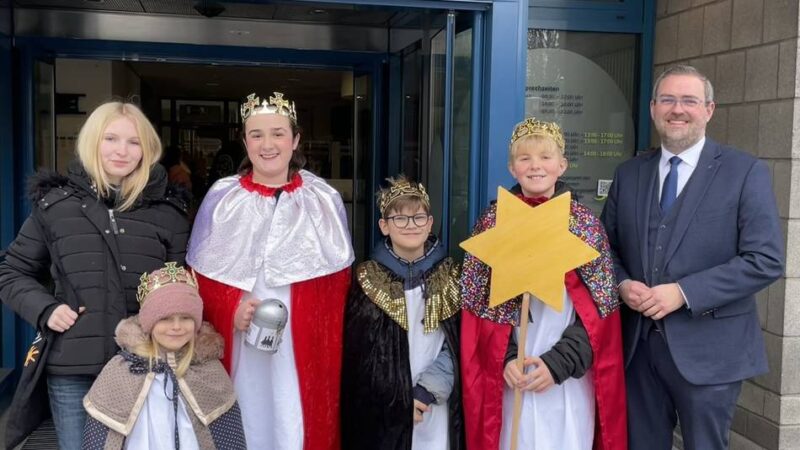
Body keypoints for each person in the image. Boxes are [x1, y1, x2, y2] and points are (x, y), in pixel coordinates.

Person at [600, 65, 785, 450]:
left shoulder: (744, 171)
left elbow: (765, 259)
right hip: (638, 350)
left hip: (712, 353)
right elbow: (606, 249)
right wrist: (622, 283)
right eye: (668, 100)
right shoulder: (629, 173)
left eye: (689, 101)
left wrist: (683, 292)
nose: (677, 109)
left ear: (709, 109)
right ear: (653, 108)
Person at [0, 101, 190, 450]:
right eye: (110, 138)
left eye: (134, 142)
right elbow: (11, 270)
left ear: (147, 149)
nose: (122, 151)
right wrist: (45, 309)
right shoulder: (56, 206)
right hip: (73, 368)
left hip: (145, 363)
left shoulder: (169, 214)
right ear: (92, 142)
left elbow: (180, 289)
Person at [186, 91, 354, 450]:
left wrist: (310, 321)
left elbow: (337, 286)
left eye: (278, 133)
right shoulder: (222, 198)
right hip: (243, 345)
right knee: (248, 414)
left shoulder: (323, 199)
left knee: (293, 415)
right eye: (257, 135)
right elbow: (199, 281)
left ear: (295, 140)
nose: (267, 145)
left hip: (302, 343)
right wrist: (231, 308)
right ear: (244, 141)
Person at [460, 118, 627, 450]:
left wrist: (557, 364)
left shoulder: (585, 226)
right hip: (510, 376)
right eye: (524, 158)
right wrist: (506, 357)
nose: (535, 166)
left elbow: (600, 314)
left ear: (561, 164)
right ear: (512, 167)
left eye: (545, 157)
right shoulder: (492, 224)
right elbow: (476, 306)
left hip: (564, 379)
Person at [341, 176, 463, 450]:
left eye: (418, 217)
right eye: (400, 219)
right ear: (384, 226)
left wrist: (427, 391)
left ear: (430, 223)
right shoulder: (366, 281)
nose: (410, 226)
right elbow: (361, 359)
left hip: (434, 406)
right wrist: (397, 402)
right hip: (385, 412)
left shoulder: (451, 277)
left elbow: (459, 348)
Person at [82, 262, 246, 449]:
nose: (176, 327)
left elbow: (228, 438)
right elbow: (99, 439)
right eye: (165, 318)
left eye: (185, 318)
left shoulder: (208, 369)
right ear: (149, 323)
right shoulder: (124, 368)